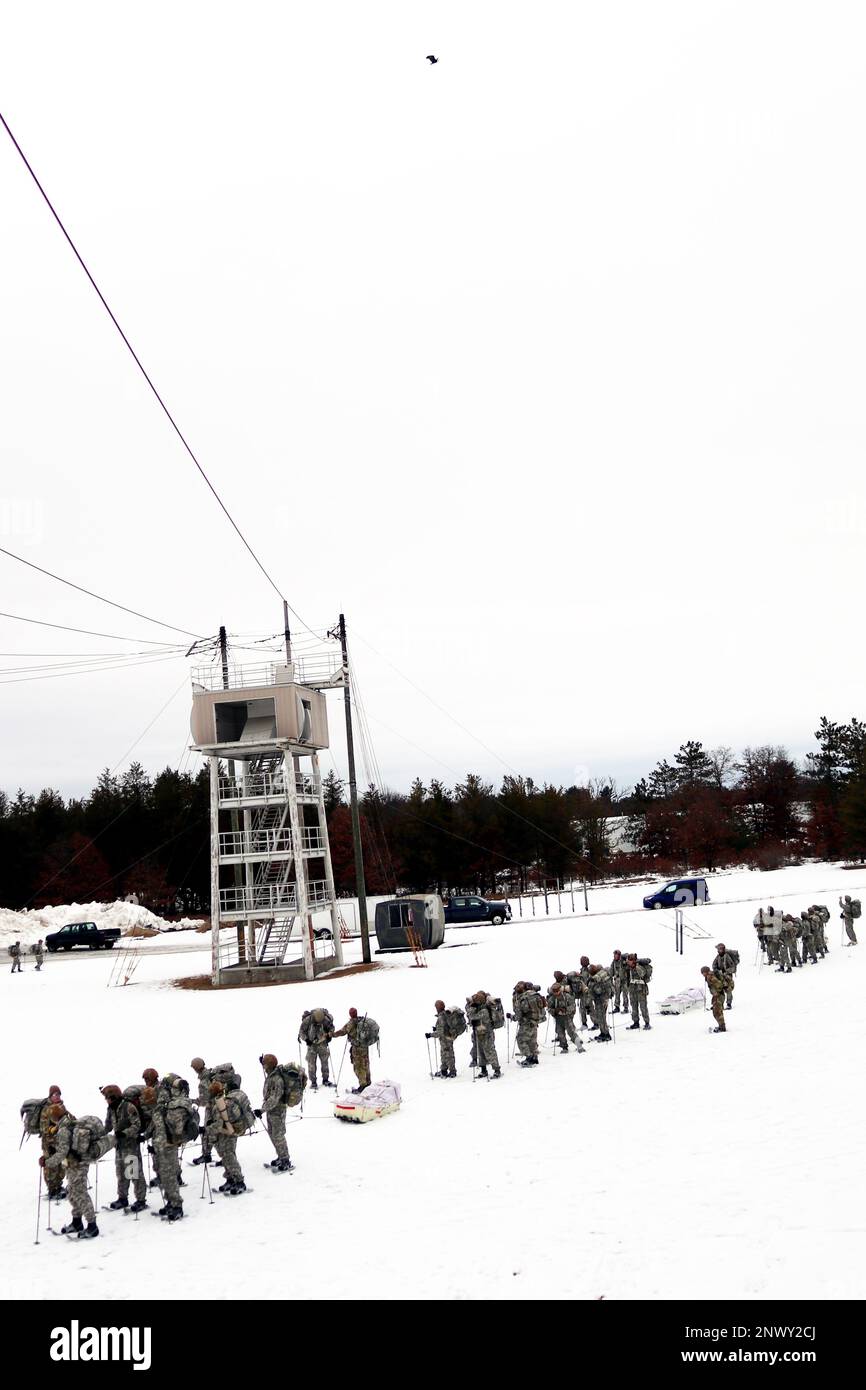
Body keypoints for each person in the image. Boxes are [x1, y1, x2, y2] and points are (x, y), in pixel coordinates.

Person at [44, 1103, 115, 1238]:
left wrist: (47, 1162)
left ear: (54, 1116)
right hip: (74, 1164)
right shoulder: (69, 1123)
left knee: (80, 1193)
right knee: (72, 1192)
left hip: (77, 1165)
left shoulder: (63, 1129)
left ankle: (92, 1226)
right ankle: (77, 1222)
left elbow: (62, 1153)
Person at [102, 1084, 147, 1212]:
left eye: (108, 1098)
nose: (107, 1100)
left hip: (130, 1146)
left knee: (134, 1173)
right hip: (119, 1147)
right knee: (121, 1173)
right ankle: (122, 1198)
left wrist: (125, 1133)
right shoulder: (111, 1109)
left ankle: (140, 1200)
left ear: (114, 1096)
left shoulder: (129, 1107)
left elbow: (137, 1125)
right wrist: (98, 1134)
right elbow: (108, 1126)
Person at [205, 1080, 246, 1194]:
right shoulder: (219, 1101)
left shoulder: (220, 1103)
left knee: (229, 1157)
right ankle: (230, 1178)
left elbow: (217, 1125)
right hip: (225, 1133)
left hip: (227, 1134)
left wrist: (206, 1129)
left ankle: (239, 1181)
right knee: (226, 1157)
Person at [254, 1053, 293, 1171]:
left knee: (278, 1135)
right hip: (271, 1110)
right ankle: (280, 1156)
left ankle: (285, 1159)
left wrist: (262, 1109)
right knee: (272, 1134)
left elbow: (274, 1099)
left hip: (277, 1111)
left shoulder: (277, 1079)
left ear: (269, 1066)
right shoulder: (271, 1075)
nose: (263, 1067)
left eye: (265, 1065)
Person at [332, 1008, 373, 1093]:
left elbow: (342, 1032)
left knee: (358, 1067)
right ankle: (368, 1082)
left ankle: (362, 1086)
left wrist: (331, 1034)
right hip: (365, 1047)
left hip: (357, 1049)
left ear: (350, 1014)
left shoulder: (351, 1023)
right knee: (366, 1064)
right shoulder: (362, 1021)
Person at [466, 991, 502, 1078]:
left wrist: (472, 1007)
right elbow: (470, 1016)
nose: (475, 1001)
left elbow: (472, 1016)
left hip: (487, 1034)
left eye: (477, 999)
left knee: (490, 1051)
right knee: (480, 1052)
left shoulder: (485, 1010)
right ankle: (483, 1070)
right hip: (479, 1033)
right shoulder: (478, 1008)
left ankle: (497, 1070)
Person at [40, 1086, 66, 1201]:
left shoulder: (62, 1107)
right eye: (55, 1095)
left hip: (61, 1142)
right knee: (51, 1166)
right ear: (50, 1096)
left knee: (61, 1165)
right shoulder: (46, 1109)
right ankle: (52, 1189)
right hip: (49, 1143)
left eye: (59, 1094)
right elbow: (44, 1129)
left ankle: (59, 1187)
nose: (57, 1097)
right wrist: (51, 1140)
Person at [298, 1008, 335, 1089]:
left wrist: (329, 1035)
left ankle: (326, 1080)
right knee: (311, 1063)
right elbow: (301, 1031)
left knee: (325, 1062)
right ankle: (313, 1082)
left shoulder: (325, 1019)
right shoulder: (308, 1020)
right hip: (311, 1045)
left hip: (322, 1043)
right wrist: (306, 1039)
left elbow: (332, 1028)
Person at [512, 983, 544, 1067]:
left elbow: (519, 1014)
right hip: (535, 1021)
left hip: (526, 1022)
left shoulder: (523, 998)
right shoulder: (534, 994)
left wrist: (512, 1017)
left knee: (521, 1040)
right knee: (532, 1041)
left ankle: (529, 1058)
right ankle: (535, 1057)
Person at [546, 981, 583, 1054]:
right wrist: (555, 1010)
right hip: (558, 1018)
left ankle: (579, 1046)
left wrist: (565, 1010)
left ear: (560, 990)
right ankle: (564, 1047)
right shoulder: (552, 999)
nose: (556, 993)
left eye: (557, 991)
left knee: (572, 1032)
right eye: (554, 991)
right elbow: (549, 1009)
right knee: (560, 1033)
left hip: (567, 1017)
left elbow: (572, 1006)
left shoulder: (567, 996)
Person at [190, 1058, 213, 1164]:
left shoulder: (203, 1082)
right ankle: (227, 1156)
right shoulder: (212, 1075)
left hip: (212, 1109)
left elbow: (204, 1101)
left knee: (206, 1132)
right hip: (222, 1106)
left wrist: (193, 1101)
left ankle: (206, 1155)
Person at [428, 999, 459, 1077]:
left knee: (448, 1054)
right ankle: (444, 1070)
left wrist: (430, 1035)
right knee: (444, 1054)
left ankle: (452, 1071)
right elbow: (444, 1027)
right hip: (447, 1037)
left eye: (436, 1007)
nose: (436, 1008)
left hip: (446, 1038)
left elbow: (440, 1032)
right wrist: (437, 1029)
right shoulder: (445, 1014)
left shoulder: (441, 1017)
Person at [625, 953, 651, 1030]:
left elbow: (642, 974)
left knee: (643, 1007)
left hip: (641, 990)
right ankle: (636, 1022)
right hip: (632, 990)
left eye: (629, 961)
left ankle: (647, 1023)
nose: (628, 962)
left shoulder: (639, 967)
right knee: (634, 1007)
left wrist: (636, 966)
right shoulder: (629, 968)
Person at [701, 966, 726, 1033]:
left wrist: (717, 993)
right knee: (717, 1012)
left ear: (705, 972)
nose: (702, 975)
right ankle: (721, 1025)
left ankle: (722, 1027)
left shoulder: (711, 976)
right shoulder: (709, 976)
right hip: (717, 996)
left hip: (719, 996)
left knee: (717, 1012)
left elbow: (719, 985)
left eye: (703, 973)